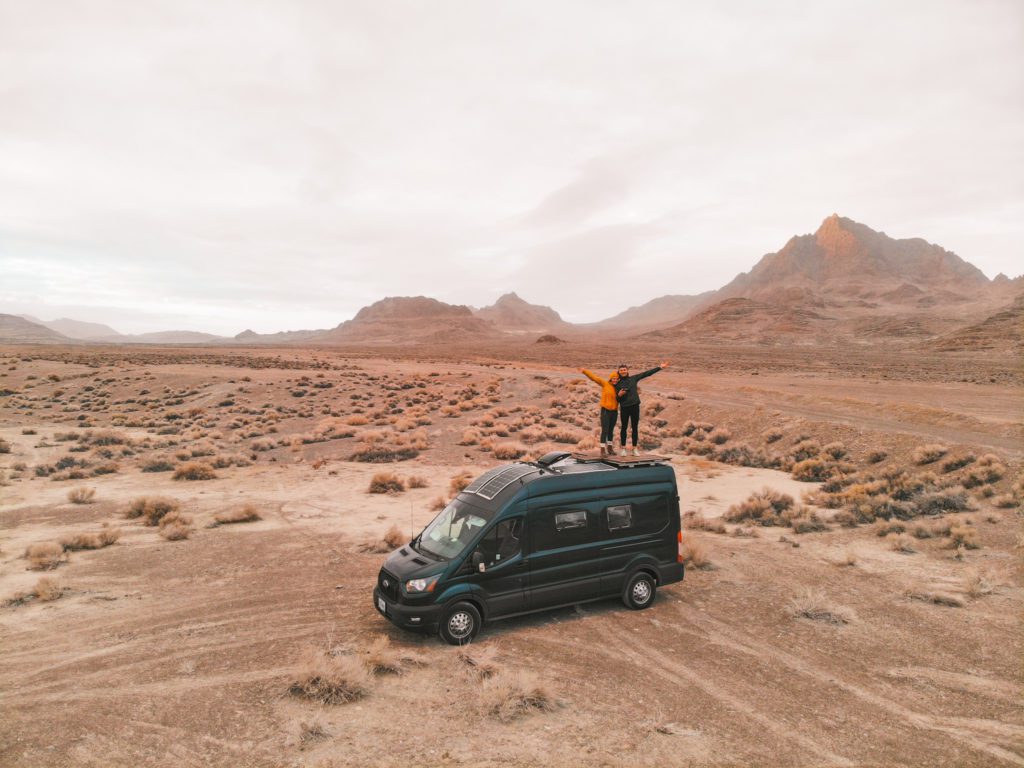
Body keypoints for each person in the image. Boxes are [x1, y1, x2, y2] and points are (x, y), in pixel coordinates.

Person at [615, 361, 669, 456]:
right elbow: (617, 398)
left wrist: (660, 367)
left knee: (635, 428)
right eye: (621, 370)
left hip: (635, 406)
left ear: (627, 371)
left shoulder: (633, 378)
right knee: (623, 428)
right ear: (618, 372)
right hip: (624, 407)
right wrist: (619, 395)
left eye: (624, 370)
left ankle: (634, 449)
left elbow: (646, 374)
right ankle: (623, 449)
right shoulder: (617, 384)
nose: (623, 371)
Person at [580, 368, 620, 456]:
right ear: (611, 378)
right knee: (605, 430)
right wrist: (585, 371)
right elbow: (594, 378)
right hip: (605, 411)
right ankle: (602, 450)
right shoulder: (605, 384)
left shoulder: (618, 387)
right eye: (613, 379)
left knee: (611, 431)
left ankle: (610, 449)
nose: (615, 380)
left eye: (617, 379)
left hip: (614, 412)